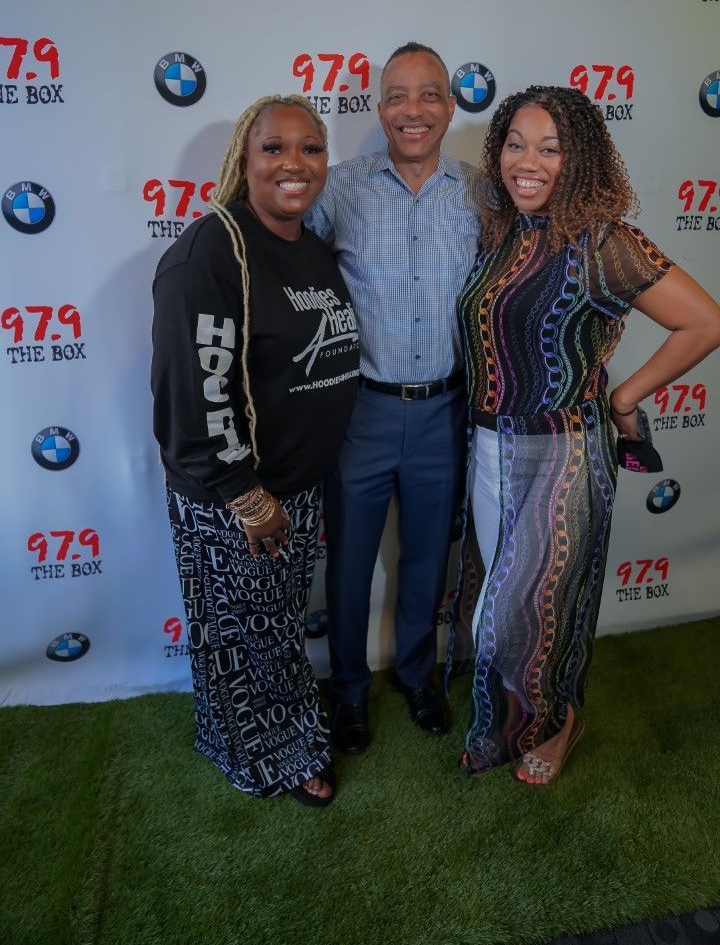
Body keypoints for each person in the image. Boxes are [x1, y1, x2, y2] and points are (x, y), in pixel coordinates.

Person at [451, 85, 720, 785]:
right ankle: (519, 717)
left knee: (528, 612)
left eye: (550, 149)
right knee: (502, 608)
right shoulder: (502, 230)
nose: (528, 162)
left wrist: (625, 396)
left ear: (581, 160)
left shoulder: (604, 242)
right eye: (515, 145)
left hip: (562, 454)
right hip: (488, 450)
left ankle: (559, 722)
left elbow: (705, 322)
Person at [151, 95, 360, 806]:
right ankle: (281, 758)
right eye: (274, 148)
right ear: (244, 160)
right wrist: (246, 496)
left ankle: (241, 736)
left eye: (311, 148)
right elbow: (193, 394)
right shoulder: (211, 254)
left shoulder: (309, 246)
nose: (294, 163)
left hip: (294, 486)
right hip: (237, 496)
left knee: (262, 634)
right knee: (253, 637)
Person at [306, 43, 481, 754]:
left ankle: (417, 674)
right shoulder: (337, 189)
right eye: (398, 96)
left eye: (430, 94)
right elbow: (286, 269)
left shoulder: (482, 193)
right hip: (362, 410)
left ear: (451, 106)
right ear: (380, 109)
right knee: (349, 560)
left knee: (427, 558)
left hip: (446, 410)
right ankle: (348, 688)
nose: (414, 110)